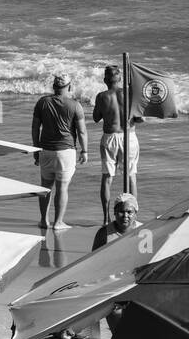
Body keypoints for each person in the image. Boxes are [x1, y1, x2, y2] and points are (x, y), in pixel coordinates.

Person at [31, 75, 88, 231]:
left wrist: (36, 149)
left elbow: (35, 128)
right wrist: (85, 150)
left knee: (45, 186)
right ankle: (58, 222)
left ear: (53, 87)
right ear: (69, 87)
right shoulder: (75, 105)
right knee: (62, 188)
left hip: (45, 150)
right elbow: (82, 131)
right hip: (65, 151)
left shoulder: (42, 102)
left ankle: (43, 220)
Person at [93, 65, 139, 222]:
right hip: (129, 136)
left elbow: (96, 117)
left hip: (110, 137)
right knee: (131, 176)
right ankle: (133, 214)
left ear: (105, 80)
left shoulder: (101, 96)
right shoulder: (131, 94)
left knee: (107, 178)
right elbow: (140, 118)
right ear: (120, 79)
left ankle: (106, 218)